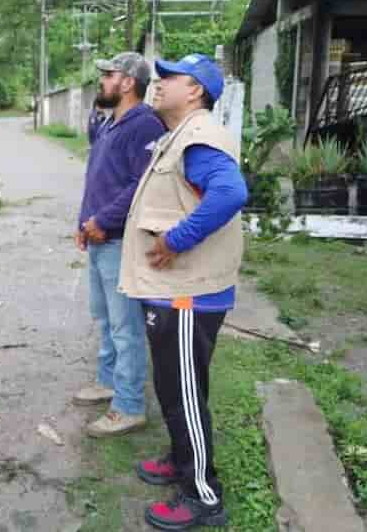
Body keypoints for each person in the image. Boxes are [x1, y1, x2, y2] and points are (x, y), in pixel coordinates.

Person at [119, 54, 247, 530]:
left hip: (188, 295)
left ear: (195, 90)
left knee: (184, 394)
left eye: (169, 77)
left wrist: (176, 240)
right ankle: (179, 459)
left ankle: (203, 497)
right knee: (173, 388)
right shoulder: (181, 135)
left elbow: (229, 193)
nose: (158, 83)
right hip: (173, 291)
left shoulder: (201, 137)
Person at [73, 53, 165, 437]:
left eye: (109, 75)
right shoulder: (114, 122)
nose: (102, 81)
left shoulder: (143, 125)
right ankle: (108, 381)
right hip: (99, 237)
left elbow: (139, 186)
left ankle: (128, 405)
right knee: (107, 319)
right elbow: (99, 176)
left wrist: (102, 220)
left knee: (125, 326)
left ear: (128, 82)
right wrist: (84, 223)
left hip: (120, 241)